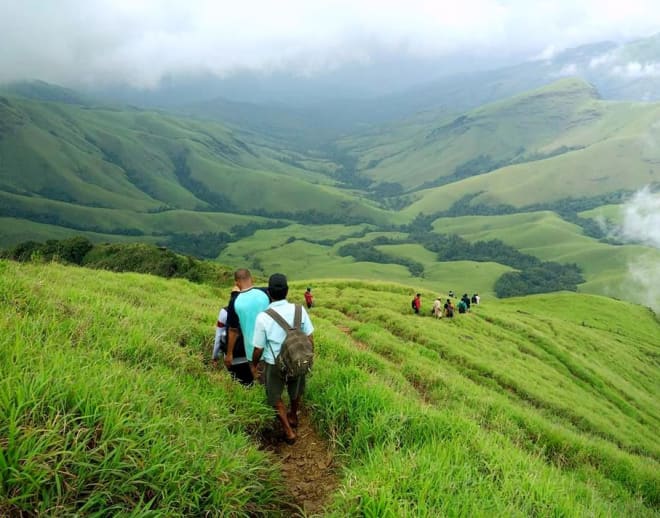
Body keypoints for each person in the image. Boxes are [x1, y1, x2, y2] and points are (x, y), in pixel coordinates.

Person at [253, 273, 315, 445]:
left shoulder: (263, 317)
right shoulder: (299, 310)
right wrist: (309, 358)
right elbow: (310, 338)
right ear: (287, 291)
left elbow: (258, 348)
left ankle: (288, 431)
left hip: (275, 364)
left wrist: (254, 364)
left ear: (269, 293)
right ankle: (294, 416)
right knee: (295, 391)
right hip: (298, 359)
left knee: (275, 396)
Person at [224, 269, 270, 384]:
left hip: (253, 353)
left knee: (262, 384)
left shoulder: (235, 301)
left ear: (236, 283)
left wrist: (229, 354)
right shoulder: (265, 293)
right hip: (274, 347)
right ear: (252, 279)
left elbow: (233, 331)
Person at [213, 287, 253, 385]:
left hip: (232, 357)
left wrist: (214, 356)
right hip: (251, 357)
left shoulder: (225, 312)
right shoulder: (252, 311)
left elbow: (219, 335)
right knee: (249, 385)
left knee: (235, 383)